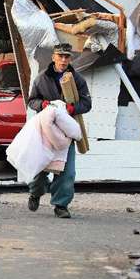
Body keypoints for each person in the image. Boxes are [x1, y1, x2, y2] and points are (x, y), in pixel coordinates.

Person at [27, 43, 91, 218]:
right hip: (45, 129)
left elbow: (87, 104)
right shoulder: (41, 78)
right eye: (60, 56)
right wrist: (43, 104)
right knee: (41, 166)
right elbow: (32, 100)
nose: (63, 60)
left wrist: (72, 109)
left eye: (67, 56)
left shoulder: (77, 80)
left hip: (66, 132)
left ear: (70, 58)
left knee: (67, 172)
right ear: (53, 57)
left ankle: (60, 205)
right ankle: (35, 192)